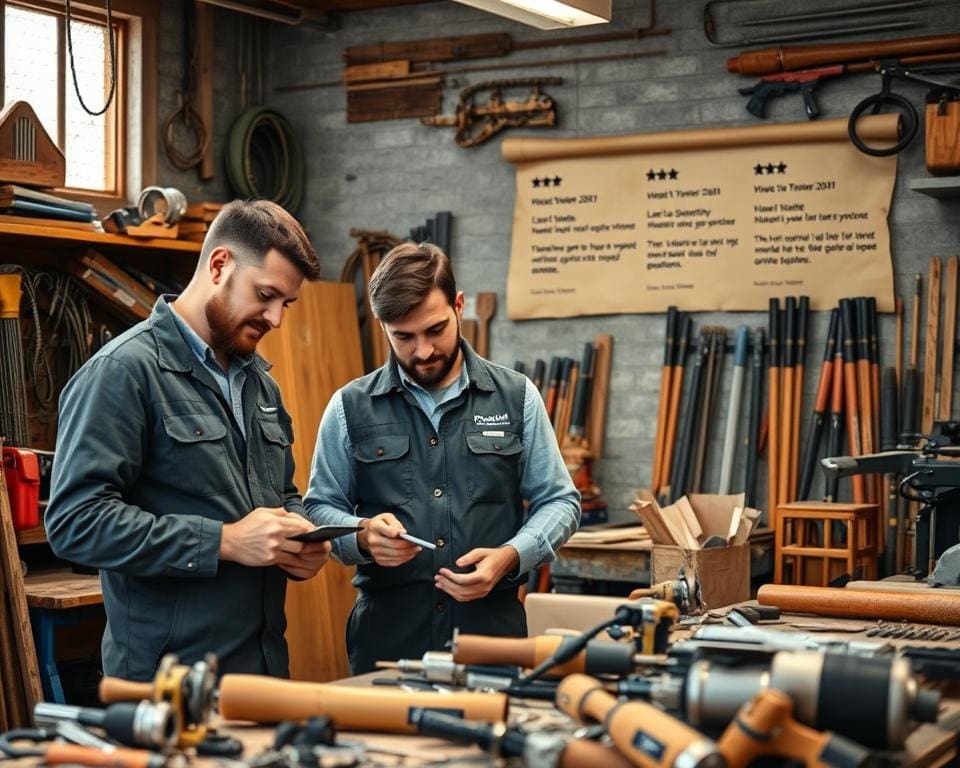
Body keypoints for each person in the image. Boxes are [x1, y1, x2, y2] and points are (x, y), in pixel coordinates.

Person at [46, 199, 330, 681]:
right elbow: (76, 522)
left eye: (287, 303)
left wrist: (298, 536)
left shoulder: (260, 383)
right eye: (266, 295)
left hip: (260, 672)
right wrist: (223, 540)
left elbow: (280, 494)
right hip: (166, 683)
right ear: (220, 265)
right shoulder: (124, 373)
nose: (277, 319)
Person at [304, 241, 580, 673]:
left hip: (490, 640)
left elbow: (560, 501)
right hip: (387, 642)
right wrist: (360, 536)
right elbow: (319, 507)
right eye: (404, 337)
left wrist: (511, 555)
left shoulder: (516, 397)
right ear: (382, 327)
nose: (424, 351)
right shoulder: (349, 407)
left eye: (435, 330)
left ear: (459, 306)